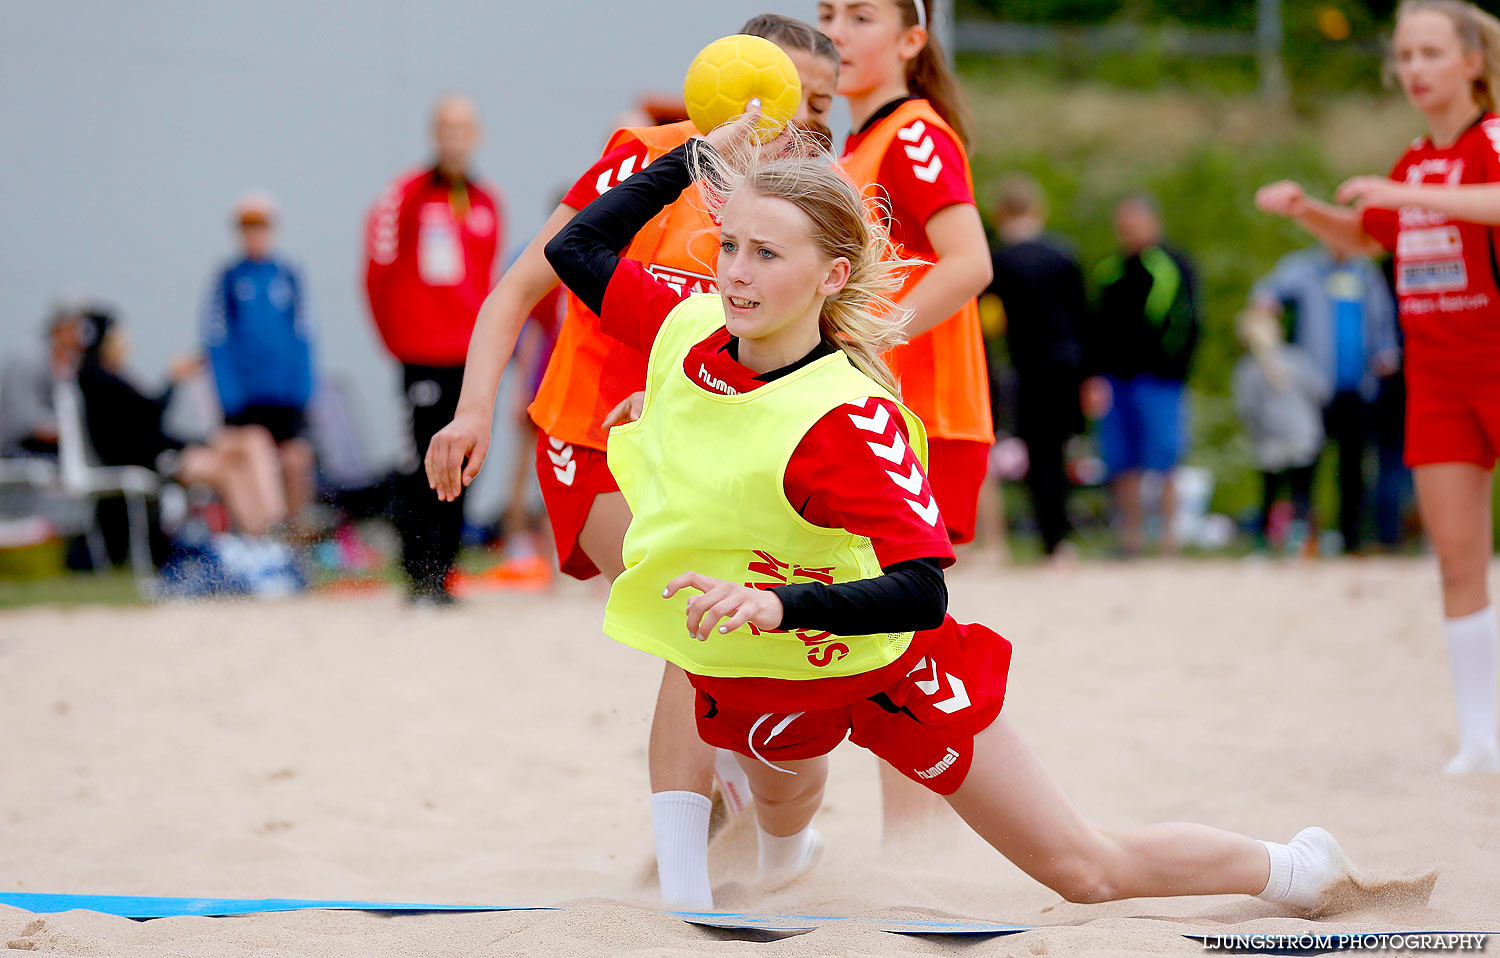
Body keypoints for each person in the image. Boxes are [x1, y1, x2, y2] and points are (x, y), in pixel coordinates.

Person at [544, 109, 1385, 916]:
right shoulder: (688, 327)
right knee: (763, 759)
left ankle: (1293, 868)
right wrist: (698, 156)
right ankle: (773, 873)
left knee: (1087, 871)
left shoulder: (849, 420)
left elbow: (921, 591)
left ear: (832, 277)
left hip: (885, 660)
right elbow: (575, 243)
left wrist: (779, 603)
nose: (733, 270)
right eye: (728, 245)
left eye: (766, 253)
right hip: (769, 656)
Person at [424, 16, 841, 909]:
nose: (812, 119)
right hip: (593, 442)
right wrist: (471, 413)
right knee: (697, 615)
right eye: (798, 98)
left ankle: (743, 841)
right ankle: (689, 891)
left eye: (826, 104)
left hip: (709, 456)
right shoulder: (650, 158)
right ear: (743, 89)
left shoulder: (803, 203)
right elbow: (516, 291)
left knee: (767, 636)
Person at [1256, 0, 1500, 773]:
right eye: (1405, 55)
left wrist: (1406, 197)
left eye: (1431, 52)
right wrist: (1310, 213)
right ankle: (1481, 739)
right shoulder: (1414, 162)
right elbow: (1367, 238)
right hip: (1435, 381)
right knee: (1458, 560)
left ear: (1472, 61)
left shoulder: (1488, 141)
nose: (1415, 69)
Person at [816, 0, 994, 837]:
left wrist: (864, 339)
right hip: (879, 413)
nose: (838, 32)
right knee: (880, 630)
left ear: (911, 40)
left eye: (860, 16)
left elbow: (970, 262)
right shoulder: (854, 146)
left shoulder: (915, 134)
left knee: (905, 633)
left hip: (925, 416)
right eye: (826, 14)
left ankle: (916, 846)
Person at [365, 95, 503, 606]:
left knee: (464, 464)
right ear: (433, 133)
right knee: (420, 462)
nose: (455, 138)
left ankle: (444, 574)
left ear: (477, 135)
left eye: (464, 128)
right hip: (420, 355)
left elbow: (490, 287)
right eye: (446, 128)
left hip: (469, 359)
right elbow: (376, 271)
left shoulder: (487, 202)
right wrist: (396, 340)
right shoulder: (405, 195)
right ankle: (418, 575)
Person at [74, 310, 286, 537]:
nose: (126, 343)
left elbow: (147, 422)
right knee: (229, 470)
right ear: (105, 341)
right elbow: (149, 417)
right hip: (156, 459)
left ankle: (276, 529)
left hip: (172, 447)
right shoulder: (97, 380)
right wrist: (173, 379)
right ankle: (263, 540)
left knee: (254, 438)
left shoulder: (112, 379)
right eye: (119, 337)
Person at [1246, 244, 1399, 553]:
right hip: (1313, 387)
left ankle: (1351, 540)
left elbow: (1383, 321)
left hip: (1359, 386)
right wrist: (1265, 303)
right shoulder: (1303, 269)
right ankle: (1303, 540)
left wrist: (1386, 352)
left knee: (1353, 469)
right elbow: (1267, 289)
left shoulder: (1366, 273)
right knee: (1307, 466)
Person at [985, 174, 1092, 561]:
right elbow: (1085, 320)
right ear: (1038, 210)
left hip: (1028, 366)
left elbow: (984, 322)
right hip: (1067, 366)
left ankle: (1050, 539)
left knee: (1036, 455)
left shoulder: (997, 261)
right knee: (1059, 454)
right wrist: (1091, 377)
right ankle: (1060, 540)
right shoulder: (1065, 254)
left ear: (1000, 214)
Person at [1089, 194, 1200, 556]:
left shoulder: (1172, 265)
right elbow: (1094, 328)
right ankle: (1131, 538)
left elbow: (1186, 323)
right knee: (1122, 462)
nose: (1127, 231)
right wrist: (1095, 375)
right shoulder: (1110, 269)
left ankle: (1169, 539)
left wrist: (1175, 368)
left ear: (1153, 224)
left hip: (1160, 381)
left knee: (1165, 460)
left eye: (1133, 224)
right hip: (1115, 381)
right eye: (1122, 226)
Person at [204, 193, 317, 522]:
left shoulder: (288, 276)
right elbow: (217, 341)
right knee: (251, 464)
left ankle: (294, 538)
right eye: (247, 228)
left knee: (296, 461)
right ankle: (257, 537)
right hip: (246, 398)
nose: (255, 235)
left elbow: (304, 336)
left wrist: (303, 390)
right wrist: (229, 396)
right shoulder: (229, 279)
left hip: (284, 394)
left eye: (261, 227)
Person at [1232, 309, 1330, 554]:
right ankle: (1299, 543)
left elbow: (1247, 409)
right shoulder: (1298, 360)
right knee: (1302, 494)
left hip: (1270, 441)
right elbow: (1321, 392)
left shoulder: (1246, 369)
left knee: (1270, 494)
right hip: (1304, 436)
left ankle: (1263, 545)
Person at [1, 300, 85, 457]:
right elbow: (23, 420)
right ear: (63, 326)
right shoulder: (27, 358)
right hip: (15, 449)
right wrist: (69, 429)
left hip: (51, 449)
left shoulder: (69, 361)